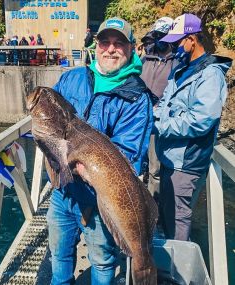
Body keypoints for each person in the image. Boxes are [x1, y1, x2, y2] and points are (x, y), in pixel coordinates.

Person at [47, 17, 153, 284]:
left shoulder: (137, 98)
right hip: (63, 192)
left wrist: (86, 167)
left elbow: (128, 156)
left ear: (132, 49)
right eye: (105, 41)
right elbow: (52, 122)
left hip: (101, 200)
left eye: (119, 43)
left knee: (103, 263)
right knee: (58, 256)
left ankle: (143, 266)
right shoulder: (71, 79)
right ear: (95, 45)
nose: (111, 49)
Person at [154, 13, 232, 241]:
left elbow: (200, 120)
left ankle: (178, 274)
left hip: (186, 163)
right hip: (169, 157)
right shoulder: (180, 68)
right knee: (168, 216)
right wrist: (155, 115)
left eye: (178, 41)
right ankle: (168, 269)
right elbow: (164, 102)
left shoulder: (211, 75)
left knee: (178, 221)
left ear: (192, 39)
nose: (174, 46)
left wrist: (160, 124)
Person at [139, 17, 179, 204]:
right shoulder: (145, 57)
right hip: (139, 116)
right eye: (156, 35)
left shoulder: (177, 62)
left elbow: (178, 94)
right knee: (136, 161)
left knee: (155, 169)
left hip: (159, 120)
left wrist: (161, 107)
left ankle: (152, 208)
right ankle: (135, 203)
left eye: (163, 35)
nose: (159, 39)